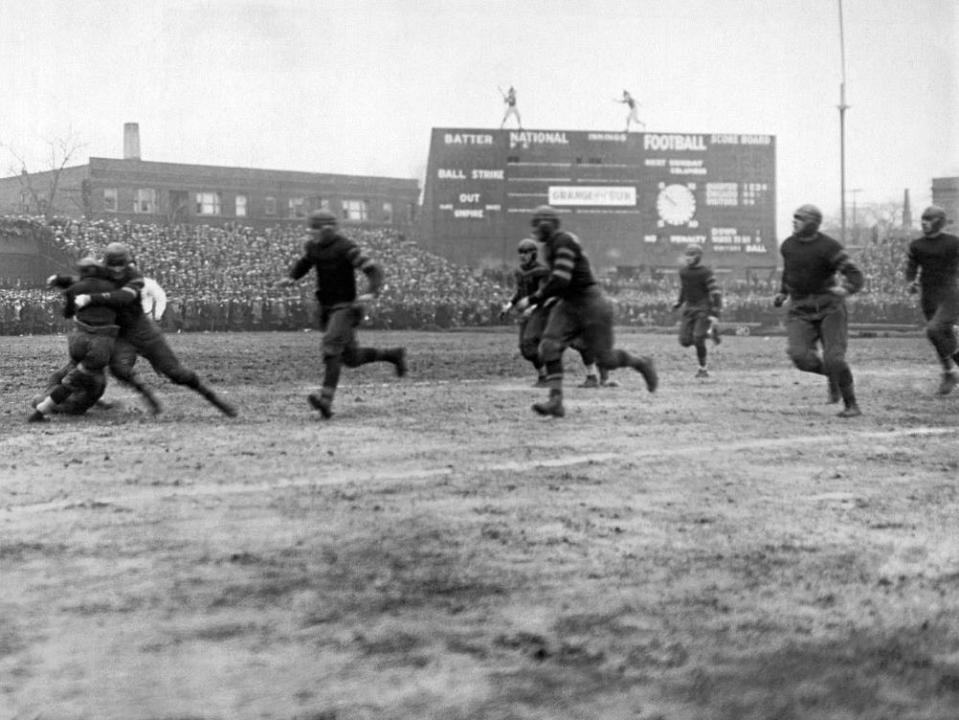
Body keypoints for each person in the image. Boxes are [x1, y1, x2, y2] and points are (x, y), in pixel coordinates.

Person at [514, 205, 657, 417]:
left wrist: (533, 299)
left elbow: (561, 279)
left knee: (606, 359)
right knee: (548, 347)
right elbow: (560, 284)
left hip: (590, 302)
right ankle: (556, 400)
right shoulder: (551, 245)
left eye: (538, 223)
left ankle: (642, 363)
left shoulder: (563, 242)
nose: (536, 229)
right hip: (569, 303)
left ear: (546, 224)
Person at [275, 210, 407, 419]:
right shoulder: (313, 247)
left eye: (314, 230)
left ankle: (325, 400)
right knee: (350, 358)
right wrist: (291, 277)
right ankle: (393, 355)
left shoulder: (346, 248)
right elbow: (305, 262)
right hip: (327, 307)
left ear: (327, 229)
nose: (311, 235)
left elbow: (374, 270)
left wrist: (370, 292)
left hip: (345, 306)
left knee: (330, 346)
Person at [82, 242, 236, 417]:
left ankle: (214, 399)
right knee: (119, 369)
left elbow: (121, 297)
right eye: (113, 266)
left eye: (120, 265)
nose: (117, 270)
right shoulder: (101, 275)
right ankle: (149, 396)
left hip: (143, 330)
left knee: (177, 373)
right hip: (122, 334)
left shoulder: (134, 276)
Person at [29, 257, 147, 422]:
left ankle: (45, 405)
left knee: (60, 383)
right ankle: (47, 405)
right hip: (98, 349)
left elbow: (74, 295)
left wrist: (59, 280)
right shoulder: (113, 291)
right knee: (73, 377)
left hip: (85, 348)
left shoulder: (86, 290)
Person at [774, 204, 864, 418]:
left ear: (813, 222)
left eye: (799, 218)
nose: (794, 221)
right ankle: (833, 376)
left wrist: (846, 288)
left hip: (829, 307)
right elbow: (790, 272)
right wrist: (782, 292)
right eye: (794, 217)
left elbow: (855, 275)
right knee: (800, 357)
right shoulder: (787, 246)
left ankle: (851, 404)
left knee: (835, 358)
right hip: (800, 308)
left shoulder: (829, 247)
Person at [502, 238, 618, 388]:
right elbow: (520, 292)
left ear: (534, 254)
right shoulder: (521, 272)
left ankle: (595, 375)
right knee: (527, 348)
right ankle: (544, 377)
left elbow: (546, 292)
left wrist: (531, 307)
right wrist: (509, 305)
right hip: (536, 311)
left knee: (579, 342)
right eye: (520, 252)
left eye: (526, 252)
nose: (522, 255)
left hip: (549, 310)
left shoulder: (545, 271)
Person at [905, 205, 959, 395]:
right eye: (923, 220)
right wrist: (911, 282)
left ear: (939, 222)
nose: (924, 223)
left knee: (933, 330)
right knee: (941, 336)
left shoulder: (953, 242)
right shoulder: (917, 245)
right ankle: (948, 373)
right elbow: (911, 268)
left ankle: (952, 371)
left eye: (928, 220)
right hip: (929, 295)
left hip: (950, 294)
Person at [673, 244, 722, 377]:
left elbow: (716, 293)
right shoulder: (683, 272)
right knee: (684, 341)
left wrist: (715, 314)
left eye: (691, 255)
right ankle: (709, 333)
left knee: (698, 339)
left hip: (703, 307)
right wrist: (679, 302)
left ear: (698, 257)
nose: (688, 258)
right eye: (687, 255)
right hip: (689, 307)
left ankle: (703, 369)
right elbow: (684, 288)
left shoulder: (705, 272)